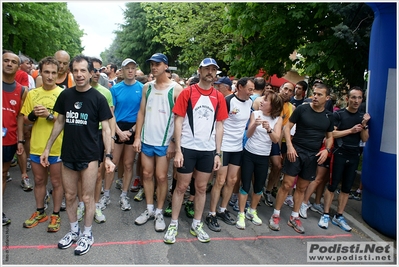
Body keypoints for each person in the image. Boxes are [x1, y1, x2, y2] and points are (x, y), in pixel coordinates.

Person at [40, 55, 115, 256]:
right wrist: (47, 148)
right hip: (68, 154)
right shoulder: (66, 96)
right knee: (70, 195)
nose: (80, 74)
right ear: (71, 72)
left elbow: (107, 129)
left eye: (83, 70)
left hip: (90, 155)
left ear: (91, 73)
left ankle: (87, 234)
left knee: (87, 197)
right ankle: (74, 232)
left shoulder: (98, 98)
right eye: (76, 70)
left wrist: (108, 156)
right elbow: (59, 123)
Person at [163, 58, 228, 244]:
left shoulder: (219, 97)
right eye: (207, 69)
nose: (210, 72)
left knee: (201, 188)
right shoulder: (187, 92)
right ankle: (174, 223)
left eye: (213, 69)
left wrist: (218, 153)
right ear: (199, 70)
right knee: (181, 187)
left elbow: (220, 125)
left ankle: (196, 224)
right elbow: (178, 120)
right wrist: (178, 149)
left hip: (207, 151)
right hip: (188, 149)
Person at [269, 83, 334, 234]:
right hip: (296, 151)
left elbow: (329, 137)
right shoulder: (302, 109)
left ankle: (294, 216)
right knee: (286, 185)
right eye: (314, 94)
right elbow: (287, 127)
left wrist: (327, 150)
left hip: (313, 155)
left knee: (302, 188)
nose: (315, 97)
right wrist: (290, 147)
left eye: (319, 95)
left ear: (327, 98)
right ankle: (276, 214)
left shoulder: (329, 116)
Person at [133, 53, 183, 232]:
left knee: (161, 177)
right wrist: (137, 137)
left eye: (157, 64)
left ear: (166, 66)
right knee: (146, 174)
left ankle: (159, 211)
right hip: (147, 139)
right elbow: (141, 113)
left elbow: (180, 119)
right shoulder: (147, 87)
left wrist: (173, 142)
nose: (154, 67)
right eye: (152, 64)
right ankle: (149, 209)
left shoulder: (176, 89)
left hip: (164, 141)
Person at [21, 56, 64, 232]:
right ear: (41, 72)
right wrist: (33, 115)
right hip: (37, 146)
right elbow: (25, 120)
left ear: (58, 73)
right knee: (39, 180)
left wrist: (48, 115)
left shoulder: (63, 94)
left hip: (57, 146)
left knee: (56, 182)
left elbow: (66, 120)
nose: (50, 76)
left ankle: (55, 215)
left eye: (54, 72)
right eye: (46, 72)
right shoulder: (33, 93)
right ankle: (40, 212)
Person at [318, 86, 370, 232]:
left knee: (346, 188)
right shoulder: (339, 114)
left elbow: (365, 138)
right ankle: (326, 214)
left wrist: (364, 125)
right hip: (339, 153)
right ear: (347, 99)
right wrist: (351, 131)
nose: (356, 100)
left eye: (359, 98)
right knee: (332, 184)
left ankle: (339, 216)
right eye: (353, 97)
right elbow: (331, 134)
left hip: (354, 155)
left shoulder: (362, 117)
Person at [205, 77, 254, 232]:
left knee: (232, 181)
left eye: (253, 90)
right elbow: (217, 123)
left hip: (237, 147)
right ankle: (211, 213)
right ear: (239, 87)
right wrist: (217, 149)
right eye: (249, 89)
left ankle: (222, 209)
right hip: (224, 146)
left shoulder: (250, 103)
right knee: (219, 180)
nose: (251, 93)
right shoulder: (227, 101)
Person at [75, 57, 116, 224]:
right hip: (81, 135)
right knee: (79, 174)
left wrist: (111, 139)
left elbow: (111, 118)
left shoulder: (105, 92)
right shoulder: (75, 91)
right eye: (94, 70)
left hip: (99, 136)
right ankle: (81, 204)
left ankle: (95, 203)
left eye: (99, 70)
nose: (97, 73)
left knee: (98, 174)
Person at [236, 89, 283, 230]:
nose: (262, 101)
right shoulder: (255, 114)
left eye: (266, 100)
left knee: (258, 187)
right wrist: (255, 125)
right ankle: (241, 213)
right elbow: (248, 135)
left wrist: (269, 129)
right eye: (263, 99)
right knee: (245, 185)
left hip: (264, 156)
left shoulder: (278, 119)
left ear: (273, 105)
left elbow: (276, 139)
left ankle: (252, 210)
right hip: (249, 153)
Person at [100, 58, 143, 211]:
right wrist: (118, 131)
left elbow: (142, 113)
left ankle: (124, 195)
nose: (130, 71)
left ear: (136, 70)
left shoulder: (142, 88)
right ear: (122, 71)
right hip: (117, 127)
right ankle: (106, 195)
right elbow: (111, 113)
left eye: (133, 68)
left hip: (133, 128)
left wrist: (131, 131)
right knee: (113, 163)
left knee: (128, 164)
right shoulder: (115, 89)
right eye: (127, 68)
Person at [2, 50, 27, 225]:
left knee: (3, 173)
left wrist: (20, 140)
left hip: (9, 139)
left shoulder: (22, 90)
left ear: (18, 67)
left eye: (13, 62)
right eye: (6, 60)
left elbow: (20, 116)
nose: (9, 64)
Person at [261, 82, 295, 206]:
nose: (287, 92)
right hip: (263, 135)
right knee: (260, 165)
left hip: (278, 138)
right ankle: (256, 190)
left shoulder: (292, 108)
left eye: (290, 90)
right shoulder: (271, 101)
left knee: (277, 165)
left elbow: (285, 128)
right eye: (285, 88)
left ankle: (268, 190)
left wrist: (281, 148)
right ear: (281, 88)